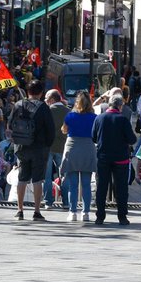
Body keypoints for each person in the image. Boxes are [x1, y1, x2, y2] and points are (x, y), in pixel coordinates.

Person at [7, 79, 56, 221]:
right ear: (41, 93)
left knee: (22, 178)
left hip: (21, 147)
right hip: (39, 147)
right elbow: (50, 130)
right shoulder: (43, 107)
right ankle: (36, 211)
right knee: (37, 180)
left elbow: (10, 124)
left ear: (28, 91)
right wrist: (47, 145)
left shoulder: (18, 105)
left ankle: (20, 210)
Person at [92, 93, 137, 225]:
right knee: (121, 188)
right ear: (120, 105)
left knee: (101, 187)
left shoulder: (99, 118)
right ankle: (122, 217)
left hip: (103, 158)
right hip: (120, 159)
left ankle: (100, 216)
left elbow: (93, 137)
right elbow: (132, 139)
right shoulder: (122, 119)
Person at [60, 90, 98, 222]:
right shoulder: (94, 117)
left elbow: (64, 130)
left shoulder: (70, 116)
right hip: (88, 147)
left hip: (73, 147)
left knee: (73, 184)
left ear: (77, 102)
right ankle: (86, 212)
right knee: (86, 184)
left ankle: (72, 212)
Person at [44, 89, 70, 209]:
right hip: (63, 147)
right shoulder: (68, 112)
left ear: (52, 99)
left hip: (48, 146)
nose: (45, 101)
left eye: (46, 98)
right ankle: (66, 202)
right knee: (64, 175)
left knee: (47, 176)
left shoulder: (47, 111)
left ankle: (48, 201)